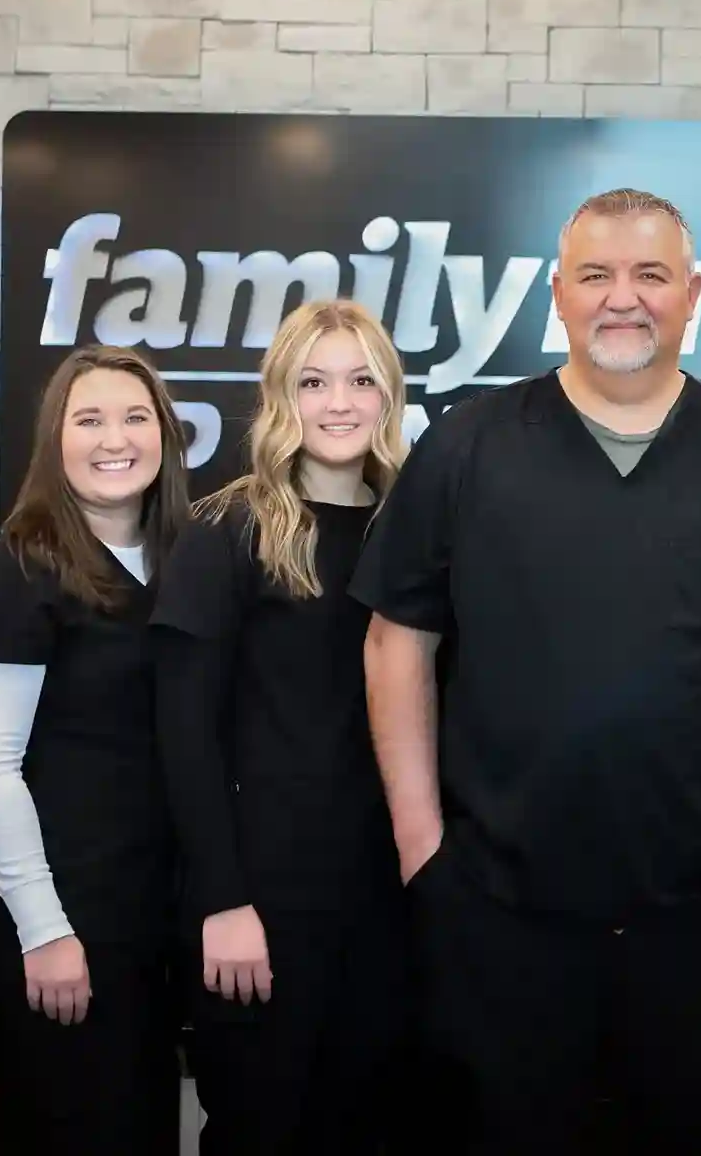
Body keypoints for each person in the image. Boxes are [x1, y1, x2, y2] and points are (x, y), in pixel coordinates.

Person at [351, 187, 701, 1155]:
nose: (624, 297)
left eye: (651, 274)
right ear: (559, 292)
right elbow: (394, 640)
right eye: (597, 274)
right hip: (502, 911)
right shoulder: (468, 443)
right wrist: (423, 843)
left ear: (695, 293)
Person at [151, 300, 412, 1155]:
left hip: (387, 902)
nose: (339, 402)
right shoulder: (226, 530)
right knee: (261, 1128)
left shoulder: (415, 535)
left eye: (360, 380)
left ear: (389, 397)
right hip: (260, 901)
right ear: (280, 397)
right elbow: (185, 733)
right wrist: (223, 901)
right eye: (313, 381)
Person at [0, 345, 190, 1154]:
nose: (112, 438)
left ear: (164, 434)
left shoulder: (182, 564)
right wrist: (44, 931)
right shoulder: (11, 573)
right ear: (55, 440)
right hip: (59, 925)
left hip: (144, 922)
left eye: (133, 416)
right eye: (88, 420)